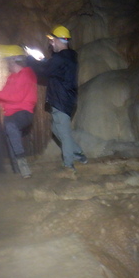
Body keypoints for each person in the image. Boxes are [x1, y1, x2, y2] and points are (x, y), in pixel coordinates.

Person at [26, 25, 87, 172]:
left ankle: (69, 165)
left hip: (61, 100)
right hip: (65, 99)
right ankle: (78, 153)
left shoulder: (60, 58)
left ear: (59, 41)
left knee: (64, 134)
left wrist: (30, 59)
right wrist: (42, 60)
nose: (51, 43)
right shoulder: (68, 57)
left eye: (52, 40)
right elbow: (52, 68)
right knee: (56, 128)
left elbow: (44, 70)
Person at [0, 47, 37, 178]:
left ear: (13, 60)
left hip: (23, 112)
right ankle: (17, 171)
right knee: (9, 136)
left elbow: (17, 97)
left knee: (10, 125)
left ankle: (23, 165)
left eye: (7, 60)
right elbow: (3, 98)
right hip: (10, 114)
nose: (6, 63)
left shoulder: (27, 73)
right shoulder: (11, 78)